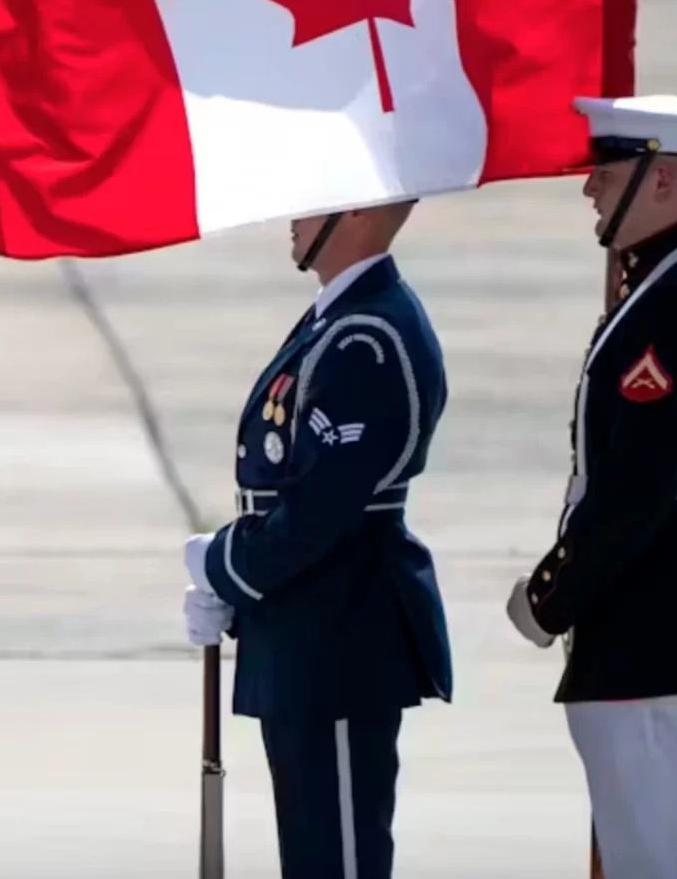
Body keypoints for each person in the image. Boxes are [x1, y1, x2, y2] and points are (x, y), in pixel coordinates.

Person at [504, 94, 677, 879]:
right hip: (663, 636)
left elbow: (636, 486)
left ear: (660, 181)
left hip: (662, 631)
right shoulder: (673, 282)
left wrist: (554, 596)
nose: (588, 186)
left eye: (607, 169)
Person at [180, 198, 451, 879]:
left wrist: (227, 564)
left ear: (357, 213)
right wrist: (238, 588)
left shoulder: (367, 338)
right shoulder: (343, 317)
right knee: (313, 855)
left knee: (338, 861)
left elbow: (323, 509)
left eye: (314, 202)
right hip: (310, 625)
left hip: (340, 628)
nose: (293, 217)